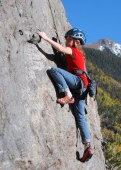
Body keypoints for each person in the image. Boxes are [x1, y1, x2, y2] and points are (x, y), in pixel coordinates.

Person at [37, 28, 93, 162]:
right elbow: (61, 52)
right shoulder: (78, 54)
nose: (67, 41)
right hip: (82, 88)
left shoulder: (74, 51)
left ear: (76, 42)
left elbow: (61, 49)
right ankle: (88, 146)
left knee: (54, 71)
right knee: (80, 117)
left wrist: (45, 38)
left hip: (78, 83)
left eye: (69, 39)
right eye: (67, 39)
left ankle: (67, 95)